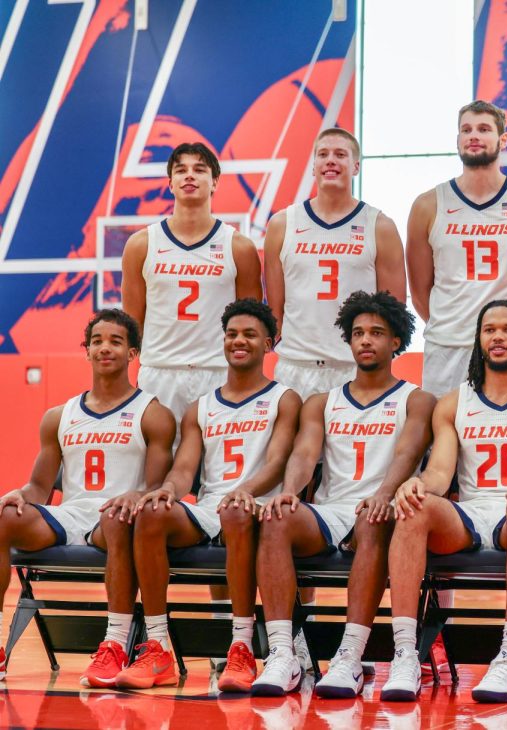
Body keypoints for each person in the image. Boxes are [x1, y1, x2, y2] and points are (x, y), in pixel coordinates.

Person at [379, 300, 507, 703]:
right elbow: (439, 474)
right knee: (413, 508)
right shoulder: (454, 403)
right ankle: (404, 654)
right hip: (468, 515)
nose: (498, 337)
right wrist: (416, 485)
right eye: (490, 330)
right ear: (478, 339)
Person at [249, 291, 435, 697]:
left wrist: (385, 494)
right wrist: (290, 492)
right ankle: (283, 653)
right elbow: (304, 452)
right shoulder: (322, 402)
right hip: (332, 512)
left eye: (377, 333)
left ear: (397, 342)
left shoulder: (417, 399)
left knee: (371, 517)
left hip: (384, 512)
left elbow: (408, 453)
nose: (366, 340)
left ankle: (350, 654)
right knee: (276, 516)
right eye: (358, 333)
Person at [114, 300, 300, 691]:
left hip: (260, 506)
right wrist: (166, 490)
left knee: (234, 512)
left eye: (249, 334)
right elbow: (184, 470)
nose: (238, 341)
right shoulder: (201, 407)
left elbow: (279, 462)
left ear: (268, 344)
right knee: (151, 513)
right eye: (232, 334)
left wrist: (245, 491)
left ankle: (242, 647)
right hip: (214, 507)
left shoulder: (285, 399)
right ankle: (158, 645)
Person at [0, 310, 175, 686]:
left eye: (115, 341)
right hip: (68, 516)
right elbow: (39, 487)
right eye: (96, 341)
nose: (104, 348)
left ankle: (114, 644)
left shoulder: (153, 413)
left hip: (116, 518)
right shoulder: (58, 416)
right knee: (3, 519)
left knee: (117, 518)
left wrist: (137, 494)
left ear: (132, 354)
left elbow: (159, 487)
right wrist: (18, 495)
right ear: (87, 351)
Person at [407, 99, 507, 398]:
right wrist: (452, 323)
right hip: (447, 346)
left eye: (484, 129)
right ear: (458, 140)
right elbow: (421, 291)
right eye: (466, 130)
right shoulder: (427, 205)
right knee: (444, 439)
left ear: (503, 139)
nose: (473, 136)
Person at [121, 142, 262, 421]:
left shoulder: (238, 247)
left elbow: (250, 325)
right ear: (170, 183)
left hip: (219, 373)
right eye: (180, 170)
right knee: (160, 464)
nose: (189, 176)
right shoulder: (141, 245)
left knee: (219, 464)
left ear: (215, 183)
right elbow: (132, 324)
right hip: (160, 373)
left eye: (199, 169)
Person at [264, 127, 407, 401]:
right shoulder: (283, 224)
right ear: (313, 166)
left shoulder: (379, 225)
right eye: (323, 154)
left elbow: (394, 311)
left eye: (340, 154)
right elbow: (275, 313)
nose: (330, 160)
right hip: (296, 367)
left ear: (355, 167)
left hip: (354, 368)